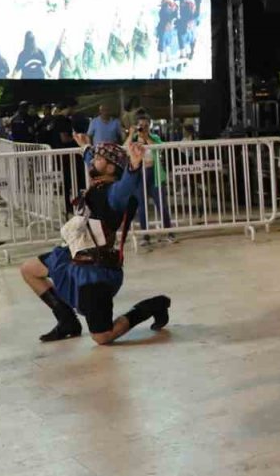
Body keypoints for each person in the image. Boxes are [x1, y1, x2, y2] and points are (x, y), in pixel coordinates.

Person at [20, 138, 171, 344]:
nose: (93, 161)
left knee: (102, 337)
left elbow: (125, 186)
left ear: (110, 168)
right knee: (29, 270)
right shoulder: (99, 181)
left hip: (96, 271)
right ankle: (67, 321)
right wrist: (84, 147)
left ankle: (153, 306)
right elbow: (91, 158)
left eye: (99, 159)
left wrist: (134, 167)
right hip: (73, 255)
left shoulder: (114, 194)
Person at [126, 114, 175, 245]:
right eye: (141, 126)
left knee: (161, 204)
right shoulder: (134, 139)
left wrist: (146, 138)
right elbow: (124, 149)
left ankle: (170, 232)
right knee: (142, 207)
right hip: (139, 175)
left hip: (154, 174)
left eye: (146, 126)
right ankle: (145, 236)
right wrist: (131, 134)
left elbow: (159, 149)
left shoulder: (155, 137)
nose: (143, 128)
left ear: (150, 126)